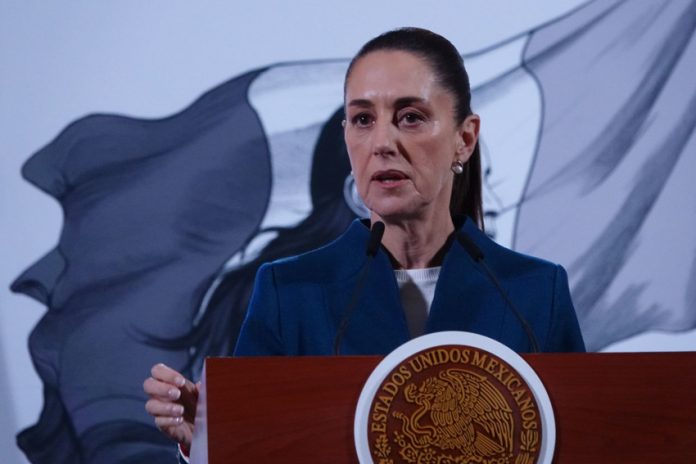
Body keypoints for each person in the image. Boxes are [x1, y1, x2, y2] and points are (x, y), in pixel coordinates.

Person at [143, 27, 585, 458]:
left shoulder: (533, 292)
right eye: (362, 120)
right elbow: (255, 447)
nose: (382, 143)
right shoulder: (290, 292)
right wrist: (203, 439)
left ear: (464, 139)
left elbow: (582, 439)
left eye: (410, 117)